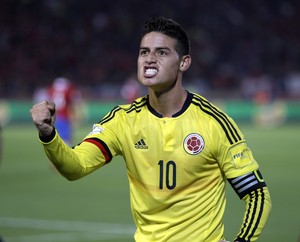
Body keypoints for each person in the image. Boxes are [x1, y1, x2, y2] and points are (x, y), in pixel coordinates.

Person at [30, 16, 271, 242]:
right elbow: (75, 167)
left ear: (184, 62)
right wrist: (49, 135)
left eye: (162, 52)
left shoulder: (214, 123)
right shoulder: (122, 121)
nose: (149, 59)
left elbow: (257, 195)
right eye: (144, 52)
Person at [46, 77, 81, 145]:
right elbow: (73, 101)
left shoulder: (52, 90)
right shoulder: (67, 90)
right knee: (66, 138)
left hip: (55, 115)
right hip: (64, 115)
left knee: (57, 136)